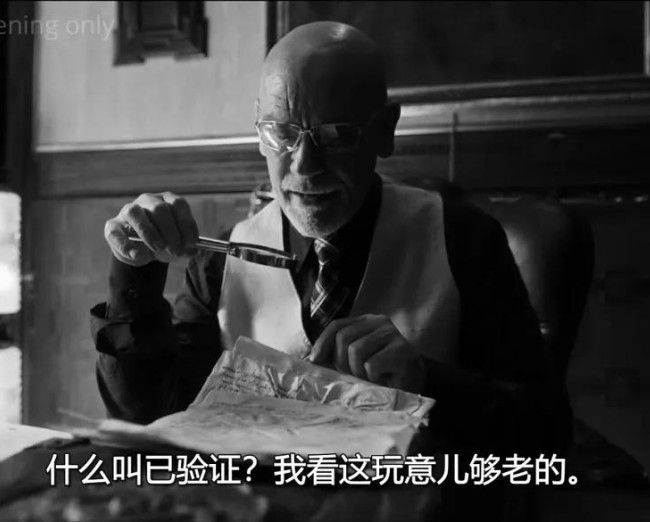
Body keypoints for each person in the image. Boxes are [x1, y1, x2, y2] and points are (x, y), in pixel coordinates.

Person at [91, 21, 571, 456]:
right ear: (259, 130)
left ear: (385, 131)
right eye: (281, 132)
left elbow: (546, 428)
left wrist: (427, 382)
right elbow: (150, 418)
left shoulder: (463, 240)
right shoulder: (220, 261)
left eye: (336, 134)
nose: (304, 165)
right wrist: (136, 274)